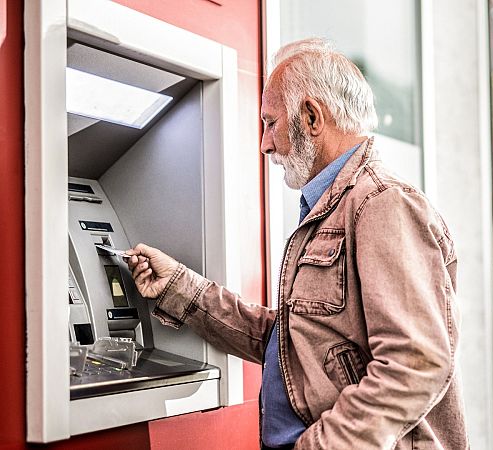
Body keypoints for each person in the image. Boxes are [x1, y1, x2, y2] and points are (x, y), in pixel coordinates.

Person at [126, 38, 468, 450]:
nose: (265, 143)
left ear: (310, 116)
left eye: (271, 123)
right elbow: (292, 344)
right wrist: (178, 287)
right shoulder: (334, 206)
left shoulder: (381, 205)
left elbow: (416, 365)